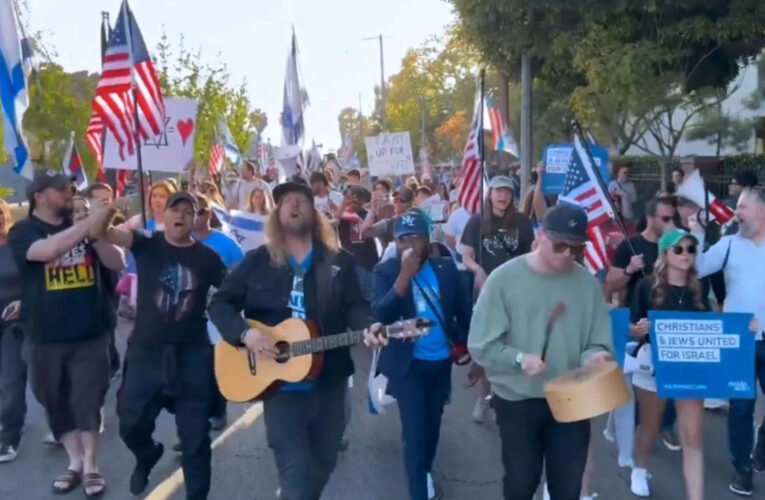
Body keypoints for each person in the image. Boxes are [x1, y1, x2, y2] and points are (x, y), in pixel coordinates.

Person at [208, 179, 374, 500]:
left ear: (314, 212)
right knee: (295, 477)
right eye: (286, 201)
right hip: (281, 391)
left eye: (302, 200)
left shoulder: (339, 262)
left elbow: (357, 308)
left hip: (330, 384)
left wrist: (369, 328)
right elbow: (221, 304)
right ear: (277, 213)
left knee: (324, 463)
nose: (294, 205)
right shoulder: (258, 261)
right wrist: (246, 333)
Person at [468, 204, 613, 500]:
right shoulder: (503, 279)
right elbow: (481, 344)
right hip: (519, 397)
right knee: (521, 483)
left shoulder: (586, 283)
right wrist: (519, 359)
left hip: (572, 394)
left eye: (576, 249)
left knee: (568, 486)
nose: (568, 255)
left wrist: (594, 357)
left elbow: (599, 341)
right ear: (540, 236)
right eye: (560, 246)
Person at [100, 191, 227, 500]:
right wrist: (109, 211)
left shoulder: (207, 258)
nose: (181, 215)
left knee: (196, 439)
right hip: (147, 352)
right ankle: (147, 455)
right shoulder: (146, 243)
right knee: (130, 424)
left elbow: (231, 293)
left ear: (197, 219)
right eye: (175, 209)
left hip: (192, 355)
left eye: (188, 211)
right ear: (166, 215)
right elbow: (98, 233)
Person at [8, 169, 125, 496]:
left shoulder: (87, 225)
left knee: (87, 401)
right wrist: (86, 225)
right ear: (39, 196)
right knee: (53, 400)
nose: (70, 191)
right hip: (44, 333)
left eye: (71, 186)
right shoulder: (24, 231)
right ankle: (73, 462)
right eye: (61, 188)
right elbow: (44, 252)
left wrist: (99, 228)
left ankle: (91, 465)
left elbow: (117, 263)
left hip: (91, 331)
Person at [367, 209, 472, 500]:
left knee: (432, 425)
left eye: (415, 237)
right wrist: (404, 277)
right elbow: (380, 313)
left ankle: (423, 472)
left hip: (439, 364)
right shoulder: (386, 270)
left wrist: (476, 356)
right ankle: (419, 491)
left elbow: (464, 315)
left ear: (428, 240)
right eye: (402, 239)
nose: (409, 244)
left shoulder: (446, 269)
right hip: (407, 365)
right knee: (414, 433)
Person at [689, 186, 765, 496]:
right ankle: (742, 467)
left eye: (744, 207)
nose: (737, 212)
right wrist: (697, 233)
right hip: (740, 340)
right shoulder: (730, 244)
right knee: (741, 408)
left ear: (762, 211)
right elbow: (697, 268)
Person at [629, 229, 709, 499]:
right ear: (665, 254)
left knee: (693, 437)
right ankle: (639, 468)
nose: (686, 254)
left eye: (690, 249)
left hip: (689, 366)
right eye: (679, 249)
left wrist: (744, 328)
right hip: (653, 363)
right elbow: (630, 326)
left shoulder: (700, 287)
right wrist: (638, 329)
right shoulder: (646, 286)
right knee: (651, 424)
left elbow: (712, 328)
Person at [461, 175, 534, 292]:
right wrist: (478, 270)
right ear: (490, 194)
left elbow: (531, 253)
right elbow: (466, 257)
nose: (503, 196)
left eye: (507, 192)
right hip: (487, 284)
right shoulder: (476, 221)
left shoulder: (523, 221)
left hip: (516, 284)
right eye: (499, 191)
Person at [0, 198, 25, 463]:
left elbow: (36, 279)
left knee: (11, 380)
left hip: (15, 319)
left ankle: (9, 439)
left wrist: (25, 303)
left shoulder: (19, 245)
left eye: (0, 213)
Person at [334, 186, 379, 302]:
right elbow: (334, 220)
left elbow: (370, 227)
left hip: (369, 262)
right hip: (353, 263)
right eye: (348, 198)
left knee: (372, 297)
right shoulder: (342, 216)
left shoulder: (367, 214)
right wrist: (342, 205)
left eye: (355, 198)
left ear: (362, 200)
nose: (352, 201)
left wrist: (374, 208)